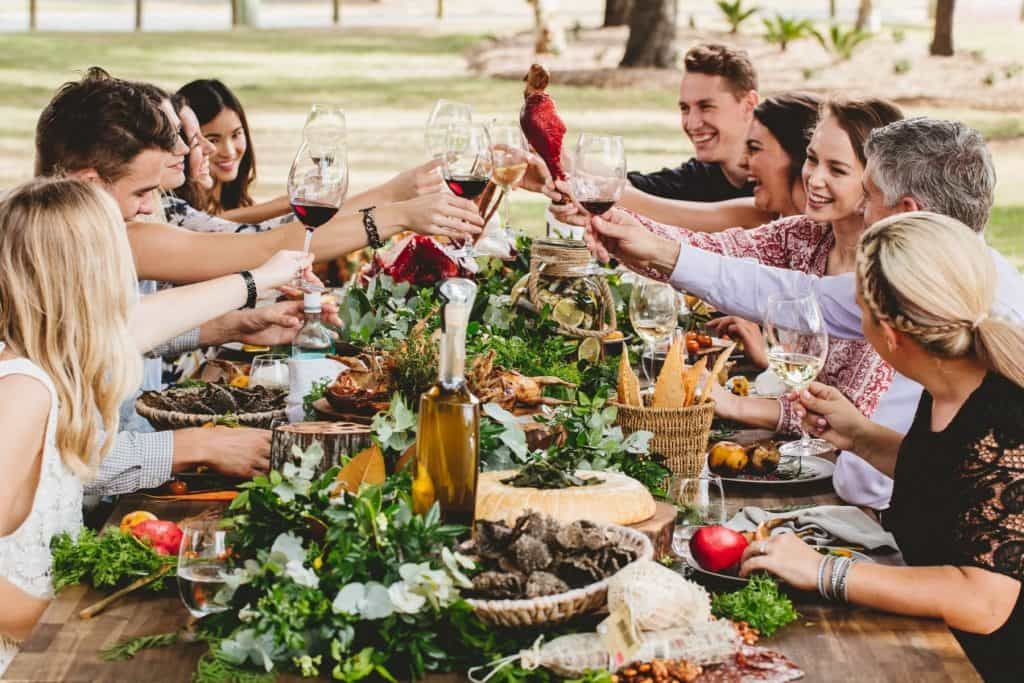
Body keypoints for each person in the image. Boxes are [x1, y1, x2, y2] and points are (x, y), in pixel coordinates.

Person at [583, 117, 1024, 509]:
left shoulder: (963, 319)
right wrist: (857, 436)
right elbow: (786, 290)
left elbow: (976, 571)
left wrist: (832, 573)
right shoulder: (936, 278)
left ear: (906, 213)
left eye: (867, 195)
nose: (862, 209)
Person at [0, 178, 305, 672]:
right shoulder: (22, 391)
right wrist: (65, 630)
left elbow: (151, 321)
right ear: (90, 276)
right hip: (25, 656)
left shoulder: (55, 365)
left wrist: (263, 278)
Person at [740, 212, 1024, 682]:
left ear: (888, 334)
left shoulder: (1004, 419)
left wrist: (824, 571)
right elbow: (954, 481)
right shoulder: (951, 379)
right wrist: (859, 437)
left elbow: (984, 601)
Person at [597, 97, 904, 437]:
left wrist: (733, 404)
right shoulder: (804, 235)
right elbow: (708, 254)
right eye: (812, 160)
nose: (814, 179)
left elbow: (855, 416)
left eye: (837, 170)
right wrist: (608, 223)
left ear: (875, 182)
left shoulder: (891, 276)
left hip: (857, 478)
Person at [35, 68, 483, 286]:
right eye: (186, 136)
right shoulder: (124, 235)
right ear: (90, 182)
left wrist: (238, 315)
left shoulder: (123, 219)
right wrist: (395, 211)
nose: (192, 151)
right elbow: (264, 243)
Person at [626, 43, 758, 204]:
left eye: (706, 106)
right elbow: (632, 186)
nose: (692, 124)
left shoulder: (786, 174)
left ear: (748, 105)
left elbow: (752, 214)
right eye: (685, 108)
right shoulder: (699, 177)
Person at [174, 78, 289, 222]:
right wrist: (287, 203)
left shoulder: (240, 202)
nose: (229, 152)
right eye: (213, 140)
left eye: (236, 134)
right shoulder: (176, 210)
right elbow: (208, 226)